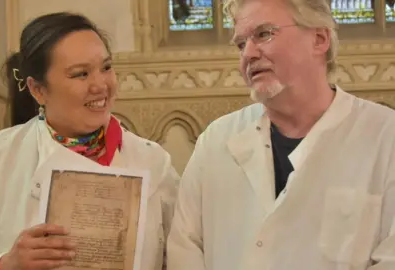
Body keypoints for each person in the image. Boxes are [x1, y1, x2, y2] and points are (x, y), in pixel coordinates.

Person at [0, 12, 179, 270]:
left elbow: (182, 258)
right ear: (38, 90)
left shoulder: (153, 161)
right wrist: (5, 264)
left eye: (106, 67)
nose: (100, 84)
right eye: (81, 74)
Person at [167, 0, 395, 269]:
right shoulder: (215, 141)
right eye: (241, 44)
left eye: (264, 34)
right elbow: (185, 247)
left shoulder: (385, 137)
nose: (248, 54)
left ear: (319, 40)